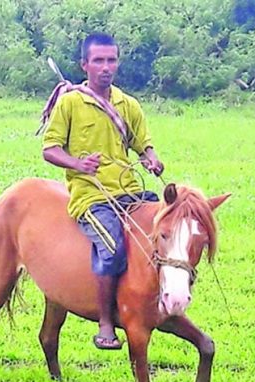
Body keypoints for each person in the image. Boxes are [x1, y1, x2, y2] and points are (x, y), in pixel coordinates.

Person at [41, 33, 164, 350]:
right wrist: (78, 165)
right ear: (85, 65)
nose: (106, 67)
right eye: (98, 61)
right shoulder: (70, 102)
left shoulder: (128, 104)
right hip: (92, 196)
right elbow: (50, 150)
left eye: (111, 60)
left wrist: (151, 159)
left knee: (166, 231)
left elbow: (143, 145)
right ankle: (106, 321)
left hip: (130, 191)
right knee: (111, 248)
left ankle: (156, 302)